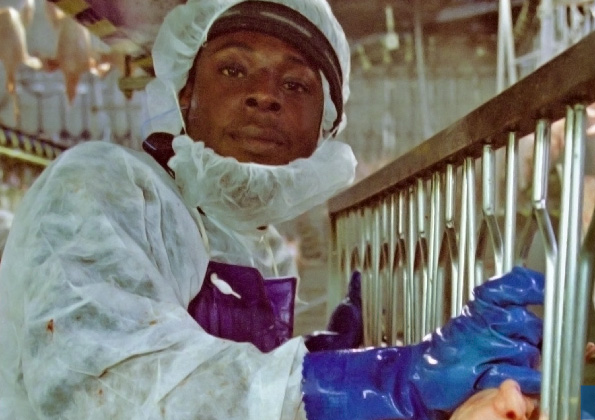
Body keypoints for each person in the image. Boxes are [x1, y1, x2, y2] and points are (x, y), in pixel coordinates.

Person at [0, 1, 546, 419]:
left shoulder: (242, 240)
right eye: (234, 71)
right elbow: (117, 387)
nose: (266, 96)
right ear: (184, 94)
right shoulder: (100, 188)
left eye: (296, 84)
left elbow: (211, 370)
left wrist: (320, 355)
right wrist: (388, 379)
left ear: (323, 132)